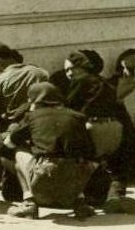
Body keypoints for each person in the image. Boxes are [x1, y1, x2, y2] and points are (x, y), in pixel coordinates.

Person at [53, 50, 135, 215]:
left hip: (93, 127)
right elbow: (121, 112)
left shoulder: (79, 82)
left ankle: (83, 199)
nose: (68, 73)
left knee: (84, 162)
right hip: (115, 128)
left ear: (80, 68)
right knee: (115, 167)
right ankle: (115, 196)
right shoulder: (107, 84)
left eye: (70, 69)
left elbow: (70, 111)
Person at [6, 83, 99, 220]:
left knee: (19, 152)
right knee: (81, 159)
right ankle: (80, 203)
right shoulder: (77, 116)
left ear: (33, 100)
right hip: (76, 177)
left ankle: (29, 203)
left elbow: (9, 143)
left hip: (45, 172)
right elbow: (90, 150)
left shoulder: (32, 116)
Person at [0, 42, 50, 200]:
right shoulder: (41, 74)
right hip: (42, 130)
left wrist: (5, 123)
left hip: (16, 132)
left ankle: (11, 169)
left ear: (0, 62)